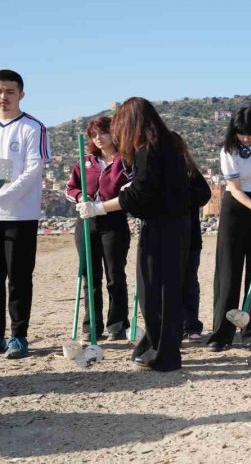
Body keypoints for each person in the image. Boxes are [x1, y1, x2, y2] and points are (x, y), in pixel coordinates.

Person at [78, 97, 190, 372]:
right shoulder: (170, 142)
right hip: (177, 225)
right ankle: (157, 347)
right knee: (164, 290)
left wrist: (100, 206)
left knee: (154, 291)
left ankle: (163, 354)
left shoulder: (148, 149)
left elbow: (140, 194)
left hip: (161, 226)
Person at [207, 107, 251, 352]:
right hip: (236, 208)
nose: (247, 139)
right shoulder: (228, 150)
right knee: (229, 271)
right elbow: (236, 189)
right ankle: (221, 334)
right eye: (242, 134)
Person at [66, 116, 133, 342]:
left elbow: (130, 192)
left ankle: (117, 324)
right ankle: (91, 326)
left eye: (102, 132)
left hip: (114, 222)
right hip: (86, 222)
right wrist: (79, 198)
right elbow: (71, 187)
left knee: (115, 275)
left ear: (114, 132)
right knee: (89, 275)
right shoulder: (85, 162)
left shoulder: (126, 162)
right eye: (94, 135)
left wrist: (101, 206)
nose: (99, 138)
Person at [0, 69, 51, 359]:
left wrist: (3, 195)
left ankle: (19, 335)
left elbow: (32, 171)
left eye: (9, 91)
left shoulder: (33, 128)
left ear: (21, 94)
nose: (3, 97)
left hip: (20, 216)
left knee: (19, 278)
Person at [173, 132, 211, 343]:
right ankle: (174, 326)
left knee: (189, 281)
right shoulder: (158, 173)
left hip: (191, 238)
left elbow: (204, 196)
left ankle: (192, 325)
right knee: (171, 283)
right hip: (167, 239)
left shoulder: (191, 173)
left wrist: (182, 187)